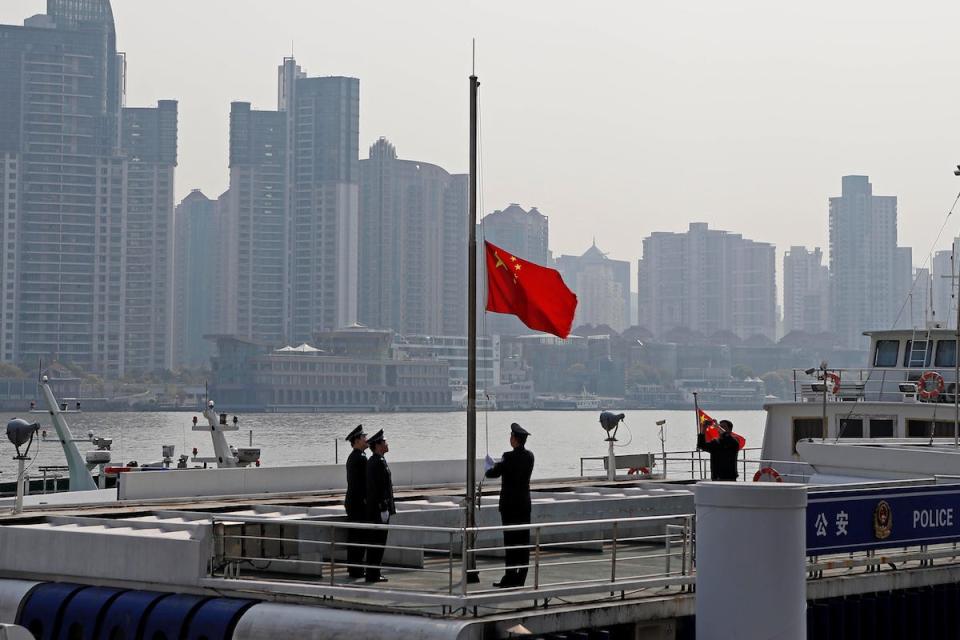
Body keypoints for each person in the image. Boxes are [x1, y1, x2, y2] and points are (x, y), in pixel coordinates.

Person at [484, 422, 535, 588]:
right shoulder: (530, 457)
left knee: (511, 541)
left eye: (511, 436)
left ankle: (509, 577)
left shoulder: (508, 456)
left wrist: (488, 466)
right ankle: (521, 577)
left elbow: (493, 473)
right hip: (524, 505)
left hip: (509, 506)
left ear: (514, 439)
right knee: (523, 539)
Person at [364, 429, 395, 583]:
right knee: (378, 542)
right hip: (379, 511)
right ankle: (373, 574)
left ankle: (374, 572)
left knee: (377, 542)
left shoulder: (376, 460)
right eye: (384, 442)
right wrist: (383, 508)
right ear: (377, 445)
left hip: (378, 509)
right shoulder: (377, 462)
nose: (387, 443)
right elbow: (378, 488)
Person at [343, 424, 368, 578]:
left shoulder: (354, 457)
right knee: (359, 536)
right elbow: (363, 484)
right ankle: (356, 568)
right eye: (364, 437)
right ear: (358, 440)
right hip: (358, 503)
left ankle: (354, 567)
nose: (366, 439)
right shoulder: (360, 458)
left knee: (355, 536)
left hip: (353, 501)